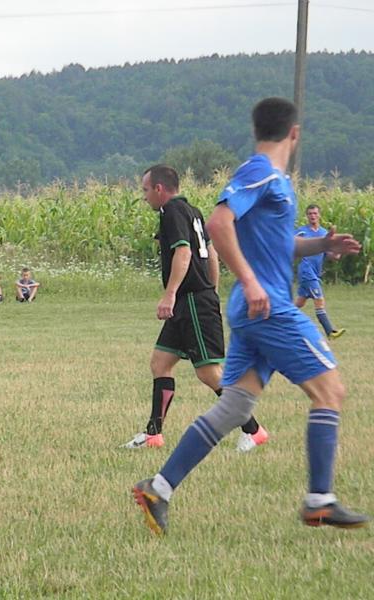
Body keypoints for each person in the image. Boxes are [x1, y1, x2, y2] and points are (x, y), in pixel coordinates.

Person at [133, 97, 369, 535]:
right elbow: (220, 224)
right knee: (331, 391)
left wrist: (322, 245)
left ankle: (158, 488)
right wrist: (251, 280)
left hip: (254, 307)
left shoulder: (275, 181)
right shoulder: (260, 172)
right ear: (294, 134)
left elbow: (279, 245)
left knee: (235, 406)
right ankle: (319, 500)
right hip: (268, 306)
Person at [123, 165, 267, 453]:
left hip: (191, 301)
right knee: (160, 363)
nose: (144, 196)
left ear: (159, 189)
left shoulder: (171, 212)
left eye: (145, 190)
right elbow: (211, 253)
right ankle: (153, 434)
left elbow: (184, 252)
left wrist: (171, 295)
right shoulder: (193, 211)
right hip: (192, 300)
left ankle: (254, 430)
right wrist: (211, 289)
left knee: (208, 372)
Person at [295, 205, 345, 339]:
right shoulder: (301, 232)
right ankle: (330, 332)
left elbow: (331, 255)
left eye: (315, 213)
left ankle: (277, 319)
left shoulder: (324, 233)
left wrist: (337, 253)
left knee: (299, 303)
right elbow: (289, 245)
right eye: (310, 213)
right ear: (307, 216)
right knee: (319, 300)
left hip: (315, 273)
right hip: (306, 271)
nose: (313, 216)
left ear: (319, 215)